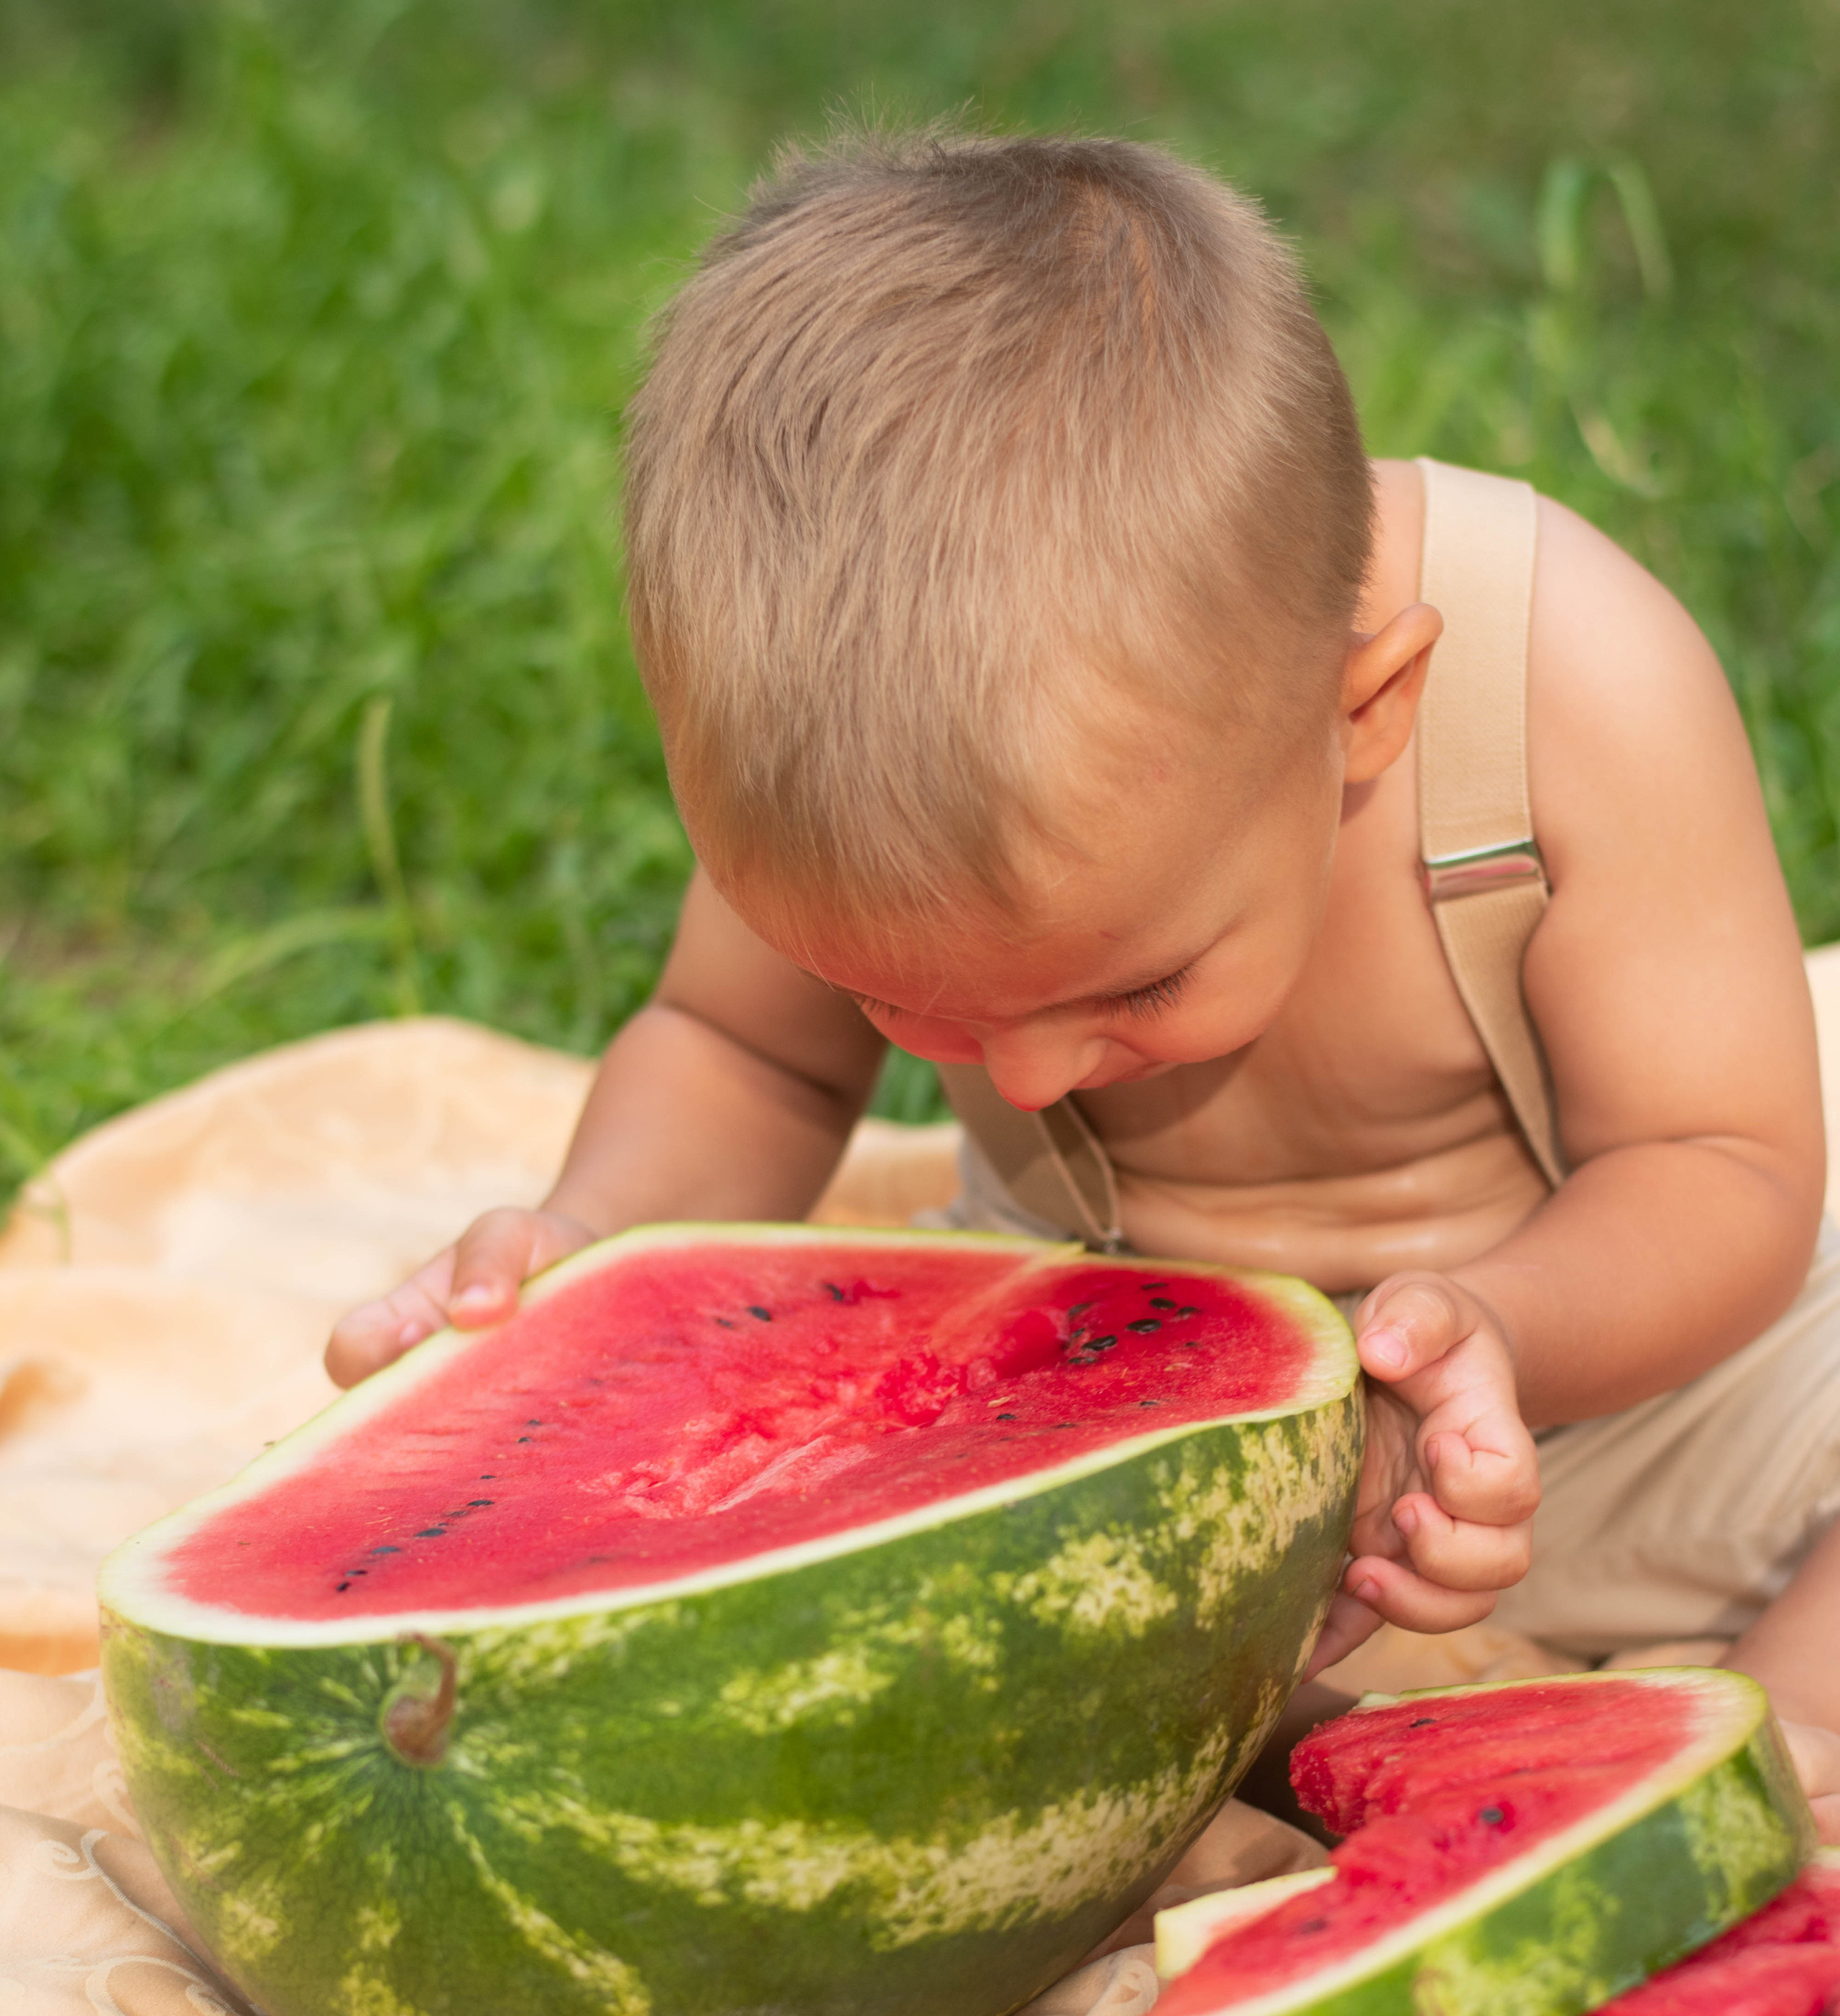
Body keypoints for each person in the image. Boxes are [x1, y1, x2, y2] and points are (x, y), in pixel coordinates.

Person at [324, 129, 1840, 1828]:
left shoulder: (1567, 679)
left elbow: (1724, 1170)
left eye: (1132, 986)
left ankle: (1790, 1731)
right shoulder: (845, 735)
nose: (1024, 1085)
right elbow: (740, 1053)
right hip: (1122, 1368)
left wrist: (1494, 1333)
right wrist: (589, 1248)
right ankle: (1306, 1721)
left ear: (1362, 717)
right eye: (912, 1007)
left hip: (1649, 1365)